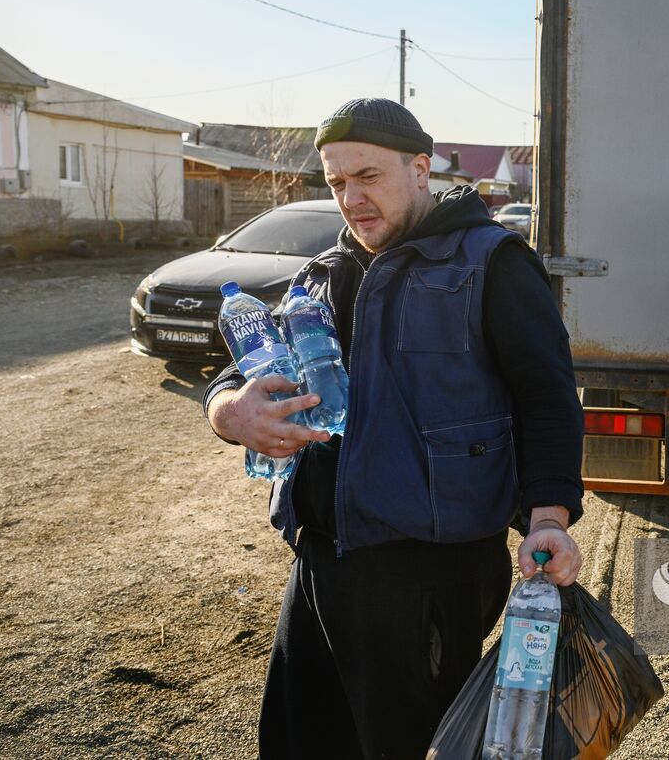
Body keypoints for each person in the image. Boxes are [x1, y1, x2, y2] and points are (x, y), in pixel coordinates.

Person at [202, 97, 585, 759]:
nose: (351, 197)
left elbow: (547, 397)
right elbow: (236, 375)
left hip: (428, 580)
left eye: (367, 176)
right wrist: (232, 413)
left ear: (419, 168)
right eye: (336, 182)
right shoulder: (319, 277)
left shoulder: (490, 263)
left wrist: (548, 516)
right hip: (319, 562)